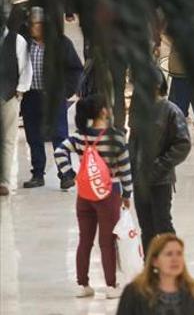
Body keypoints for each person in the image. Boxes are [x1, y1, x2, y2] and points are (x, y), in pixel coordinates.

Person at [54, 94, 133, 298]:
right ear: (103, 111)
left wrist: (70, 174)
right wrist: (127, 193)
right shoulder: (115, 137)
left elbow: (60, 151)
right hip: (108, 194)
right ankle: (111, 285)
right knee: (107, 241)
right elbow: (125, 168)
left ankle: (83, 284)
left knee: (84, 240)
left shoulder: (81, 136)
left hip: (85, 193)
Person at [128, 70, 191, 253]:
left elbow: (182, 145)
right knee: (146, 229)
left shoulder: (171, 110)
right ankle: (150, 269)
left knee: (163, 226)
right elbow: (133, 142)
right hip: (140, 181)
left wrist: (160, 166)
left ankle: (172, 266)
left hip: (160, 180)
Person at [21, 7, 82, 188]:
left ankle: (65, 174)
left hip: (54, 97)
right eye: (31, 25)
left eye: (37, 25)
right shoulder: (24, 44)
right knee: (34, 136)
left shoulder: (61, 44)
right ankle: (37, 173)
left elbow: (76, 69)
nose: (34, 28)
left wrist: (66, 92)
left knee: (59, 135)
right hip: (31, 96)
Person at [116, 233, 194, 314]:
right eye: (169, 254)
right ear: (155, 261)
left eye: (179, 253)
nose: (175, 259)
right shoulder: (134, 292)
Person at [0, 3, 32, 196]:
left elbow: (26, 69)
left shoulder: (17, 40)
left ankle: (3, 181)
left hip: (9, 97)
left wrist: (19, 92)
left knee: (8, 140)